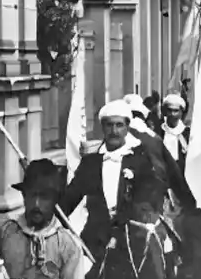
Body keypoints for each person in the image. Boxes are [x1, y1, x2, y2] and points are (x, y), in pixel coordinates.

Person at [61, 100, 159, 261]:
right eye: (109, 125)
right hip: (95, 244)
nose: (114, 131)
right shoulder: (90, 163)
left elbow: (146, 202)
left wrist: (118, 233)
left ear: (127, 128)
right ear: (102, 127)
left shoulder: (140, 161)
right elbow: (69, 200)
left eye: (119, 125)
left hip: (130, 244)